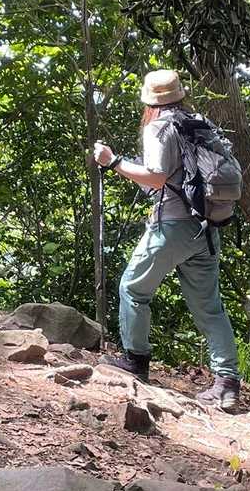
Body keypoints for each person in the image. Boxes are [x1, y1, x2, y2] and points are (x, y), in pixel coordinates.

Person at [93, 68, 242, 409]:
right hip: (205, 226)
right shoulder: (198, 123)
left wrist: (112, 161)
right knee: (209, 307)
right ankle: (227, 383)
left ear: (150, 101)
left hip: (172, 225)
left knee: (133, 289)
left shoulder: (159, 126)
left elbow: (156, 178)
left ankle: (135, 361)